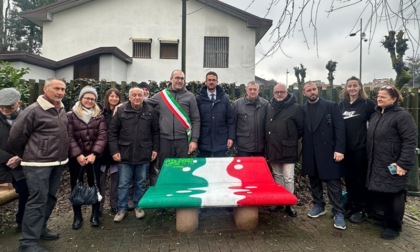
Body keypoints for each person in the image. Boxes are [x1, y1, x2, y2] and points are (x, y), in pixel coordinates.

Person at [9, 78, 69, 252]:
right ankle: (27, 242)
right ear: (46, 89)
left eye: (63, 89)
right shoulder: (33, 110)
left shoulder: (61, 108)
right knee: (37, 201)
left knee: (49, 198)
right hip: (37, 164)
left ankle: (40, 229)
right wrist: (26, 154)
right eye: (56, 88)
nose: (60, 92)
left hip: (57, 162)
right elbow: (15, 137)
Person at [366, 85, 417, 240]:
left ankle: (394, 226)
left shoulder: (402, 116)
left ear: (394, 99)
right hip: (377, 161)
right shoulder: (376, 114)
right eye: (378, 96)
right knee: (382, 192)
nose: (379, 99)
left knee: (395, 194)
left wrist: (403, 164)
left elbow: (410, 141)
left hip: (394, 163)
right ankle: (383, 218)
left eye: (383, 96)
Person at [108, 87, 159, 223]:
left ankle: (139, 206)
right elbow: (112, 133)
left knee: (141, 183)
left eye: (139, 95)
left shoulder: (150, 111)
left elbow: (155, 132)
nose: (137, 97)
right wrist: (114, 151)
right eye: (134, 95)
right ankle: (121, 209)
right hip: (124, 154)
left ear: (144, 97)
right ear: (129, 97)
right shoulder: (121, 110)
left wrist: (155, 149)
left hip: (144, 153)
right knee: (123, 184)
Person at [301, 82, 347, 230]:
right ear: (304, 93)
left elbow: (340, 128)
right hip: (310, 151)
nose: (312, 92)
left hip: (329, 151)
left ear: (317, 90)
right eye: (309, 90)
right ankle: (319, 205)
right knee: (314, 180)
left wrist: (339, 149)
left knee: (333, 183)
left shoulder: (331, 106)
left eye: (314, 89)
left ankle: (338, 212)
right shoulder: (303, 109)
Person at [67, 86, 107, 229]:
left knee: (94, 184)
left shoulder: (99, 115)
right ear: (81, 98)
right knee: (75, 186)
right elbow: (69, 136)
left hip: (93, 157)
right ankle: (77, 216)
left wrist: (94, 153)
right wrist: (78, 155)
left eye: (92, 99)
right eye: (87, 98)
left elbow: (102, 136)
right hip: (76, 158)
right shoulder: (70, 115)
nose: (90, 101)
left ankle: (95, 214)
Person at [338, 76, 375, 223]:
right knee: (348, 179)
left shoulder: (367, 104)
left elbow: (376, 123)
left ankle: (361, 208)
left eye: (355, 85)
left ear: (360, 87)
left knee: (359, 179)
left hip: (360, 148)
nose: (352, 88)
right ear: (346, 88)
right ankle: (351, 205)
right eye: (349, 86)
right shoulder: (342, 105)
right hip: (344, 149)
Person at [148, 70, 200, 170]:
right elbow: (144, 103)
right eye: (177, 78)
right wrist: (121, 106)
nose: (179, 81)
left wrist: (194, 140)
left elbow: (196, 119)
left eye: (182, 78)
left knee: (183, 169)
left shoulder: (190, 96)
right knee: (165, 169)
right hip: (165, 140)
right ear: (171, 79)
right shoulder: (161, 95)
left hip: (183, 140)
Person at [265, 83, 304, 217]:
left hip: (288, 148)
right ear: (273, 94)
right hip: (274, 147)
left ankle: (290, 204)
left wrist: (290, 138)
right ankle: (279, 200)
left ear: (287, 92)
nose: (279, 94)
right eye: (277, 92)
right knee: (277, 176)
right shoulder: (270, 107)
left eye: (282, 92)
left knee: (288, 177)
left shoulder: (296, 108)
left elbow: (300, 128)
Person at [0, 88, 28, 230]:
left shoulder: (28, 117)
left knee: (25, 192)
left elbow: (35, 141)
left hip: (22, 164)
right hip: (2, 164)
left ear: (19, 103)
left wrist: (20, 157)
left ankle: (22, 221)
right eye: (1, 106)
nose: (4, 109)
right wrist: (8, 158)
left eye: (9, 106)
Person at [196, 71, 235, 157]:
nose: (211, 82)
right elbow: (195, 120)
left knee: (219, 167)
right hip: (204, 141)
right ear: (205, 82)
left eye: (214, 80)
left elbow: (230, 120)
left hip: (221, 140)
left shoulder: (224, 99)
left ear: (217, 82)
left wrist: (230, 137)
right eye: (209, 80)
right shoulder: (199, 99)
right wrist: (195, 139)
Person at [98, 88, 122, 214]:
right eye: (111, 96)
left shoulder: (121, 112)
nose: (114, 98)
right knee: (101, 180)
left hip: (116, 152)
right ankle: (100, 206)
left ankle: (114, 204)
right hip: (102, 153)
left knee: (115, 180)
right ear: (107, 98)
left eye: (116, 96)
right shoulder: (101, 113)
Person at [232, 81, 268, 156]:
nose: (252, 91)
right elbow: (232, 124)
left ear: (258, 90)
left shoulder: (265, 104)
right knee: (244, 167)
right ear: (246, 90)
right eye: (250, 89)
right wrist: (233, 142)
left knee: (257, 168)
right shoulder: (237, 104)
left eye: (255, 89)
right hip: (243, 147)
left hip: (259, 146)